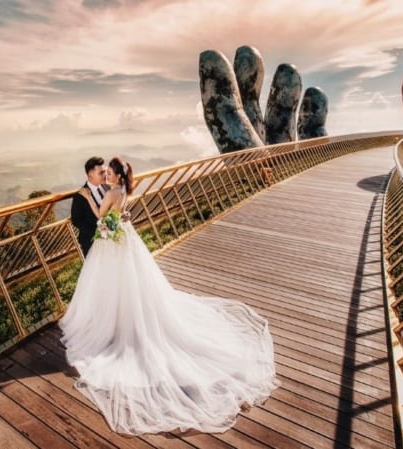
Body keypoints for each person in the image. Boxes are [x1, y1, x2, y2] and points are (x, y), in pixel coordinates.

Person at [59, 156, 279, 435]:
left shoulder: (111, 191)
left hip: (112, 242)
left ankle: (116, 322)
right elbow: (110, 214)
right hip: (118, 240)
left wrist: (89, 200)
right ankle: (115, 317)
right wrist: (115, 214)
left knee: (120, 285)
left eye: (108, 172)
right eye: (102, 172)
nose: (106, 175)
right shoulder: (123, 190)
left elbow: (102, 215)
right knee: (126, 285)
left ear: (115, 175)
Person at [70, 156, 108, 257]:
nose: (105, 175)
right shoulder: (79, 196)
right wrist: (98, 231)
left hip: (109, 239)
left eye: (104, 171)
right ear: (90, 175)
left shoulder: (107, 187)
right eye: (101, 173)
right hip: (91, 241)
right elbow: (76, 220)